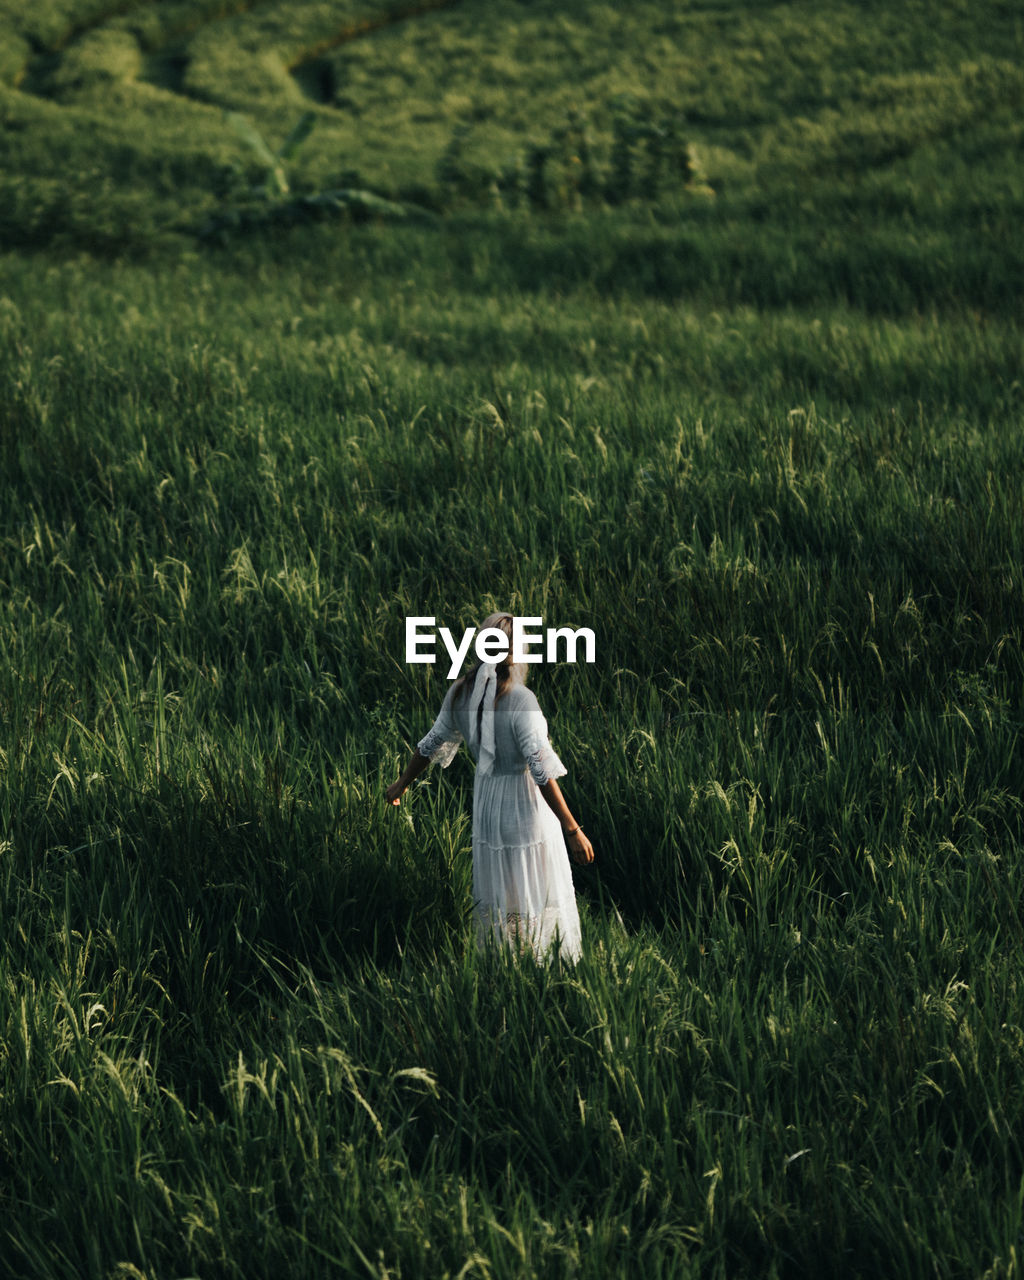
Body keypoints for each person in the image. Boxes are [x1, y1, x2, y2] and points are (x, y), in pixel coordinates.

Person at [385, 612, 594, 961]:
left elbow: (430, 743)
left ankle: (506, 962)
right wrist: (572, 829)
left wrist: (402, 782)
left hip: (486, 802)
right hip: (524, 806)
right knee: (535, 889)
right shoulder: (520, 700)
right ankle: (540, 966)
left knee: (504, 890)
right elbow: (540, 771)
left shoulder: (461, 693)